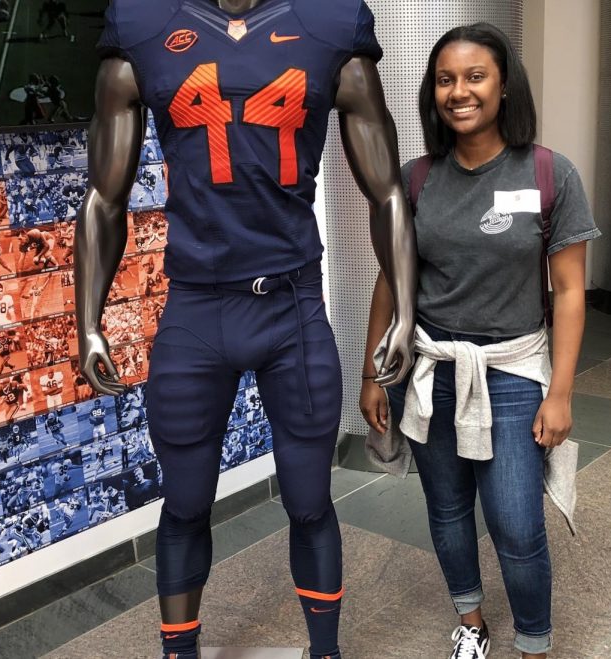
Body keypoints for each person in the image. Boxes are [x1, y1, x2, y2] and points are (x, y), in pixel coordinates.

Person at [75, 1, 417, 658]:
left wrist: (406, 305)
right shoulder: (144, 24)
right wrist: (85, 320)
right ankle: (180, 651)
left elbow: (389, 192)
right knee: (185, 501)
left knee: (311, 498)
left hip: (291, 306)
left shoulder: (329, 22)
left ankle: (326, 651)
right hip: (196, 308)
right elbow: (103, 196)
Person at [360, 24, 600, 659]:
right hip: (432, 369)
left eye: (474, 77)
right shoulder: (415, 181)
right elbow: (391, 279)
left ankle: (534, 642)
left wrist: (563, 392)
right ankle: (471, 619)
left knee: (517, 522)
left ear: (503, 86)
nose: (458, 91)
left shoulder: (550, 172)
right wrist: (370, 374)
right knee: (446, 509)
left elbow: (570, 291)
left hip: (515, 371)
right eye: (445, 79)